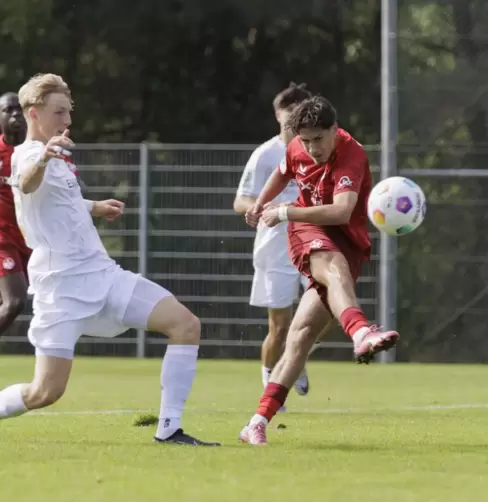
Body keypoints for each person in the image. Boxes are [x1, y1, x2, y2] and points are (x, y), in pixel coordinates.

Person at [0, 73, 218, 446]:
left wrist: (94, 206)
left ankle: (170, 429)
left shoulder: (57, 154)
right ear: (34, 114)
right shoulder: (28, 155)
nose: (67, 121)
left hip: (102, 275)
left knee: (186, 325)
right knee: (45, 392)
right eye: (59, 112)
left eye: (69, 112)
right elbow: (27, 182)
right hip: (61, 288)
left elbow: (57, 203)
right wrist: (44, 158)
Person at [238, 96, 399, 445]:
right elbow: (283, 172)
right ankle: (360, 332)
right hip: (309, 234)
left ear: (334, 130)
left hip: (345, 239)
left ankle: (256, 422)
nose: (311, 148)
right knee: (334, 266)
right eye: (306, 140)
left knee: (300, 336)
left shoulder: (352, 155)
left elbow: (341, 212)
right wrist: (264, 205)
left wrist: (283, 212)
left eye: (318, 139)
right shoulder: (297, 146)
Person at [234, 83, 320, 404]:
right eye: (287, 124)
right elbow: (241, 201)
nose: (293, 130)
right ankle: (271, 387)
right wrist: (258, 209)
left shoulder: (319, 148)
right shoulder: (265, 155)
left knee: (332, 311)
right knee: (280, 328)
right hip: (275, 248)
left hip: (313, 241)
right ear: (277, 117)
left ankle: (297, 358)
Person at [0, 92, 32, 333]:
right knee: (14, 302)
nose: (14, 115)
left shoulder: (38, 151)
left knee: (50, 303)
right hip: (3, 238)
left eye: (19, 110)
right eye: (7, 110)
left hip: (35, 238)